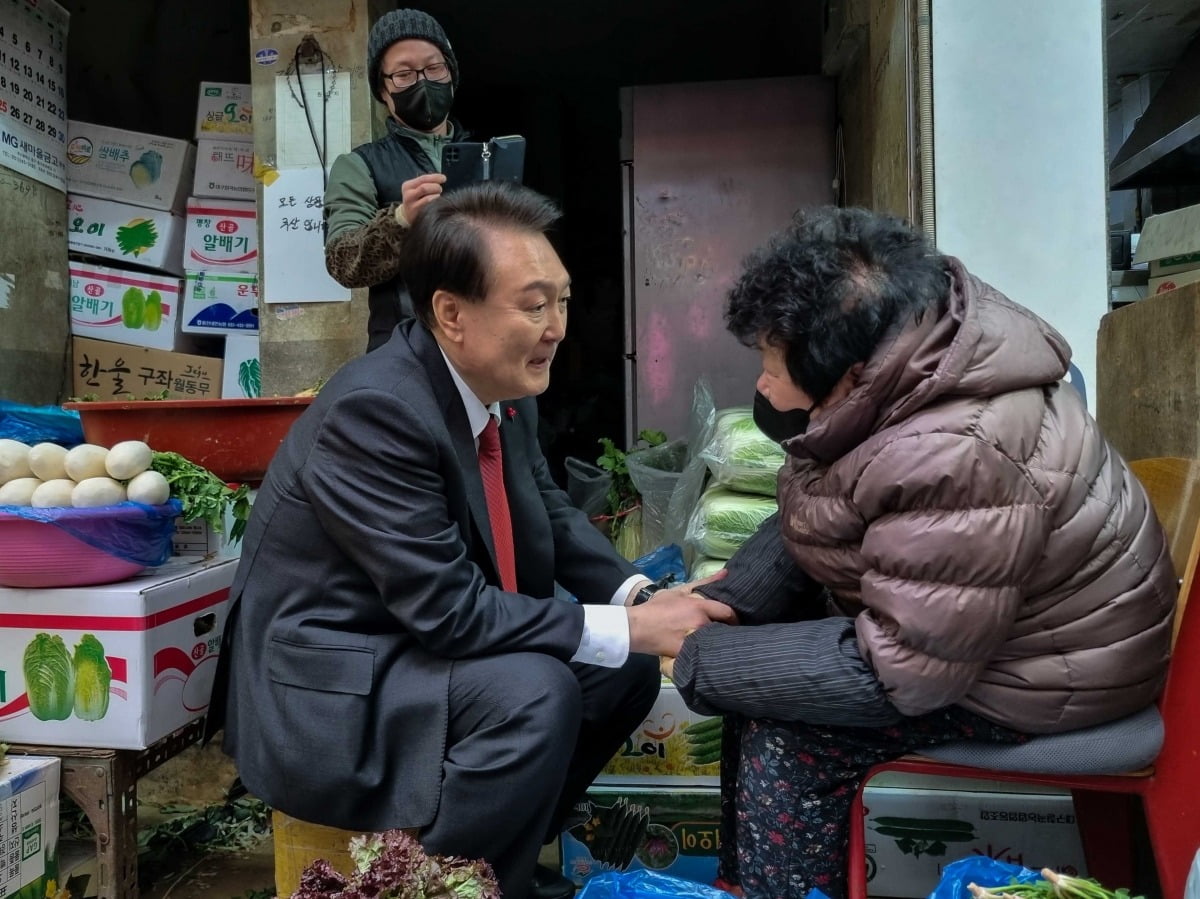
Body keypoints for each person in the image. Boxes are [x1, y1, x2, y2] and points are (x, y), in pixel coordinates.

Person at [207, 181, 736, 899]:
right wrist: (635, 625)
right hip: (333, 686)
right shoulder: (377, 412)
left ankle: (497, 866)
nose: (557, 326)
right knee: (534, 690)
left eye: (564, 300)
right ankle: (433, 886)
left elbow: (547, 511)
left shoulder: (498, 389)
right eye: (533, 304)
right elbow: (451, 611)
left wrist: (642, 595)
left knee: (623, 670)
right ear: (451, 313)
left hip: (409, 646)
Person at [660, 206, 1177, 899]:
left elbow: (902, 672)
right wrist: (725, 600)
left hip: (1045, 672)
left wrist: (700, 654)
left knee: (789, 734)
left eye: (770, 363)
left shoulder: (954, 450)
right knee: (753, 679)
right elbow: (826, 502)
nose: (762, 387)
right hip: (990, 635)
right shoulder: (909, 366)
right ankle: (748, 881)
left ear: (844, 370)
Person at [323, 8, 465, 351]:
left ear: (451, 75)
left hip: (489, 350)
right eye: (404, 74)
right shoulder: (359, 165)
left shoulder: (487, 156)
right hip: (405, 354)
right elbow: (342, 263)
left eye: (434, 68)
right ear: (383, 92)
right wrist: (402, 221)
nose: (423, 81)